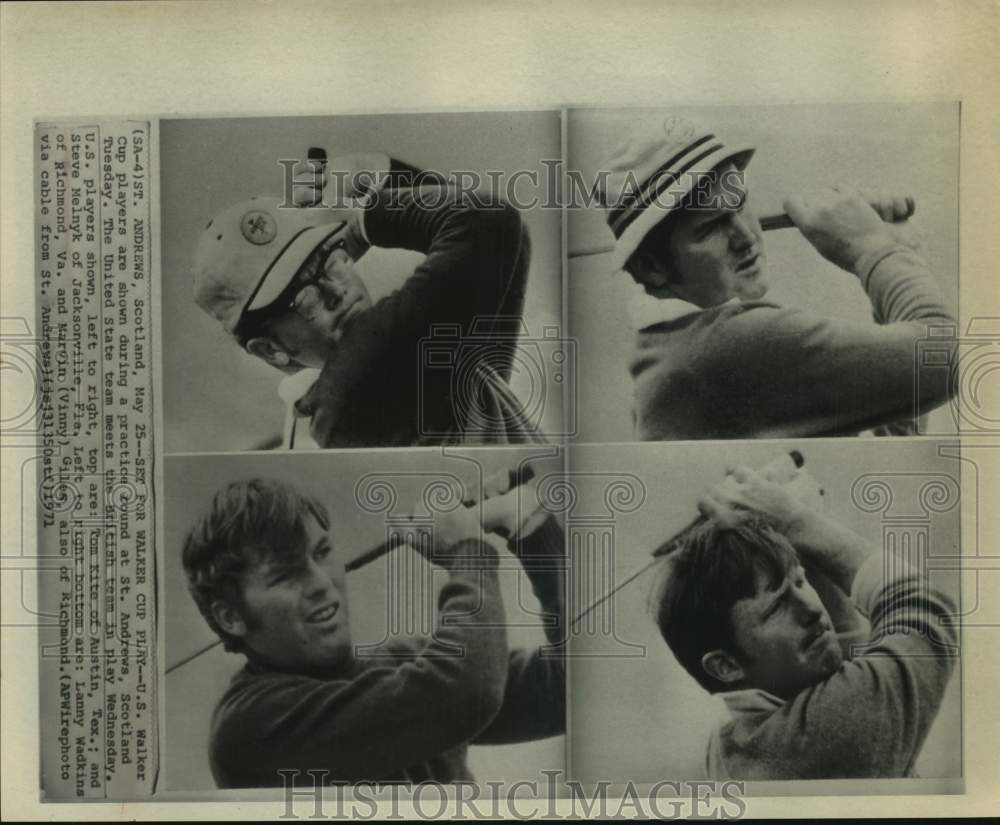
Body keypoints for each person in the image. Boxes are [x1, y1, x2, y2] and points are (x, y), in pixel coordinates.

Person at [181, 472, 565, 788]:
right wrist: (468, 552)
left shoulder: (401, 663)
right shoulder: (250, 728)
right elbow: (466, 691)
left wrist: (532, 529)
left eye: (322, 553)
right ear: (231, 617)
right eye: (284, 574)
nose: (321, 583)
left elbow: (566, 690)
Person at [595, 114, 958, 439]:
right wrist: (872, 248)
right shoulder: (728, 346)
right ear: (651, 268)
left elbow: (894, 418)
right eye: (710, 227)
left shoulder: (675, 346)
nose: (745, 235)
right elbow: (947, 358)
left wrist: (894, 251)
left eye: (740, 205)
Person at [192, 152, 543, 447]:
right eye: (302, 296)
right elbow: (486, 223)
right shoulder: (359, 379)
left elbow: (509, 246)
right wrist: (365, 215)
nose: (335, 291)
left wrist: (384, 180)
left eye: (330, 262)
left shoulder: (416, 373)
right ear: (270, 350)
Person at [653, 463, 958, 779]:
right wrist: (798, 522)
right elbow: (926, 613)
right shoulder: (821, 734)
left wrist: (795, 535)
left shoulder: (727, 744)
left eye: (800, 582)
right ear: (725, 666)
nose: (812, 609)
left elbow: (842, 663)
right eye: (775, 609)